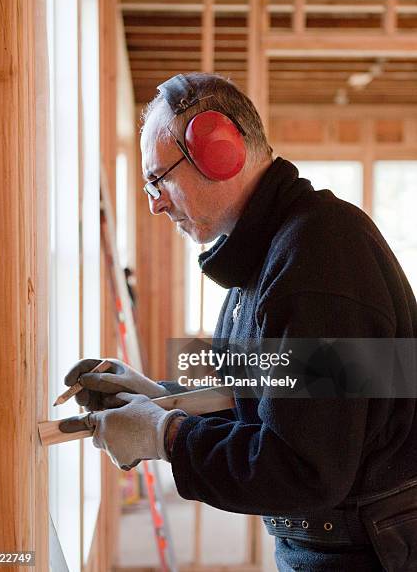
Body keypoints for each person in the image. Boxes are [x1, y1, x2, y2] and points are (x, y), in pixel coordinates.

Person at [60, 73, 417, 571]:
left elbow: (303, 469)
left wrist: (164, 435)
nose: (155, 203)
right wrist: (156, 397)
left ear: (218, 151)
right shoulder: (264, 261)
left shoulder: (320, 259)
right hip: (335, 543)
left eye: (158, 179)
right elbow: (261, 403)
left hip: (371, 552)